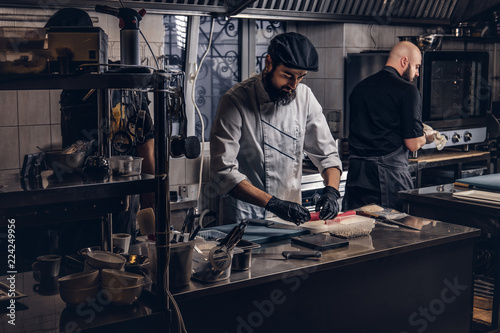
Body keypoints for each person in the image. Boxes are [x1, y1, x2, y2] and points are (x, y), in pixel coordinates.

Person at [210, 32, 342, 225]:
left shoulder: (304, 97)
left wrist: (332, 191)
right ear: (269, 63)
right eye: (287, 75)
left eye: (300, 77)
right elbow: (223, 171)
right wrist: (273, 204)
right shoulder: (236, 100)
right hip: (246, 217)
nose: (293, 85)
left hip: (291, 216)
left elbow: (327, 155)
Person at [342, 41, 435, 212]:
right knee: (394, 232)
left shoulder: (360, 88)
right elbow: (413, 143)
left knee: (357, 228)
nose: (417, 73)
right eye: (416, 67)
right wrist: (426, 137)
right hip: (388, 175)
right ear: (404, 61)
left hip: (357, 173)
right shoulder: (408, 91)